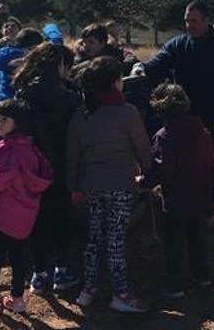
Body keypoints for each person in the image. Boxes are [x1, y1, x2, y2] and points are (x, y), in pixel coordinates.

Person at [68, 56, 152, 313]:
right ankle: (121, 293)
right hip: (120, 186)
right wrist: (148, 175)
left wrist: (73, 187)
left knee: (94, 236)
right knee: (115, 239)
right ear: (116, 83)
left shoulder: (82, 115)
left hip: (90, 186)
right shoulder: (127, 113)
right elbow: (142, 149)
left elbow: (73, 155)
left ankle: (88, 289)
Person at [13, 43, 83, 294]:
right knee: (62, 218)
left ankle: (40, 272)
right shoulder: (67, 96)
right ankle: (62, 270)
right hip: (61, 164)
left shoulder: (23, 91)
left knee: (37, 218)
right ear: (60, 65)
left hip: (32, 165)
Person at [0, 99, 52, 315]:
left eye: (3, 119)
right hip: (24, 217)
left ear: (16, 123)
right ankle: (17, 299)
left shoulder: (5, 151)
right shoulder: (31, 150)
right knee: (19, 258)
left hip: (1, 215)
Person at [143, 83, 214, 298]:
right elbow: (212, 164)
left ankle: (175, 285)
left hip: (176, 199)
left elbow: (163, 170)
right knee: (197, 237)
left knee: (173, 243)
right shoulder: (202, 131)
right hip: (201, 195)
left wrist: (144, 181)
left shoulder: (164, 136)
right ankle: (201, 275)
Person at [137, 1, 214, 155]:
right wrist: (140, 67)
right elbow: (158, 62)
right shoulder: (178, 45)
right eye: (187, 20)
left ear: (206, 20)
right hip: (184, 116)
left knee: (212, 162)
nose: (189, 25)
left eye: (194, 21)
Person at [0, 28, 44, 101]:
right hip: (22, 103)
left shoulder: (2, 55)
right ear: (33, 46)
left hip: (4, 102)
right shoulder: (29, 58)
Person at [74, 23, 138, 75]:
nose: (86, 45)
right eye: (84, 42)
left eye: (91, 42)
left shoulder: (114, 52)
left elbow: (131, 60)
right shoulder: (80, 56)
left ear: (102, 43)